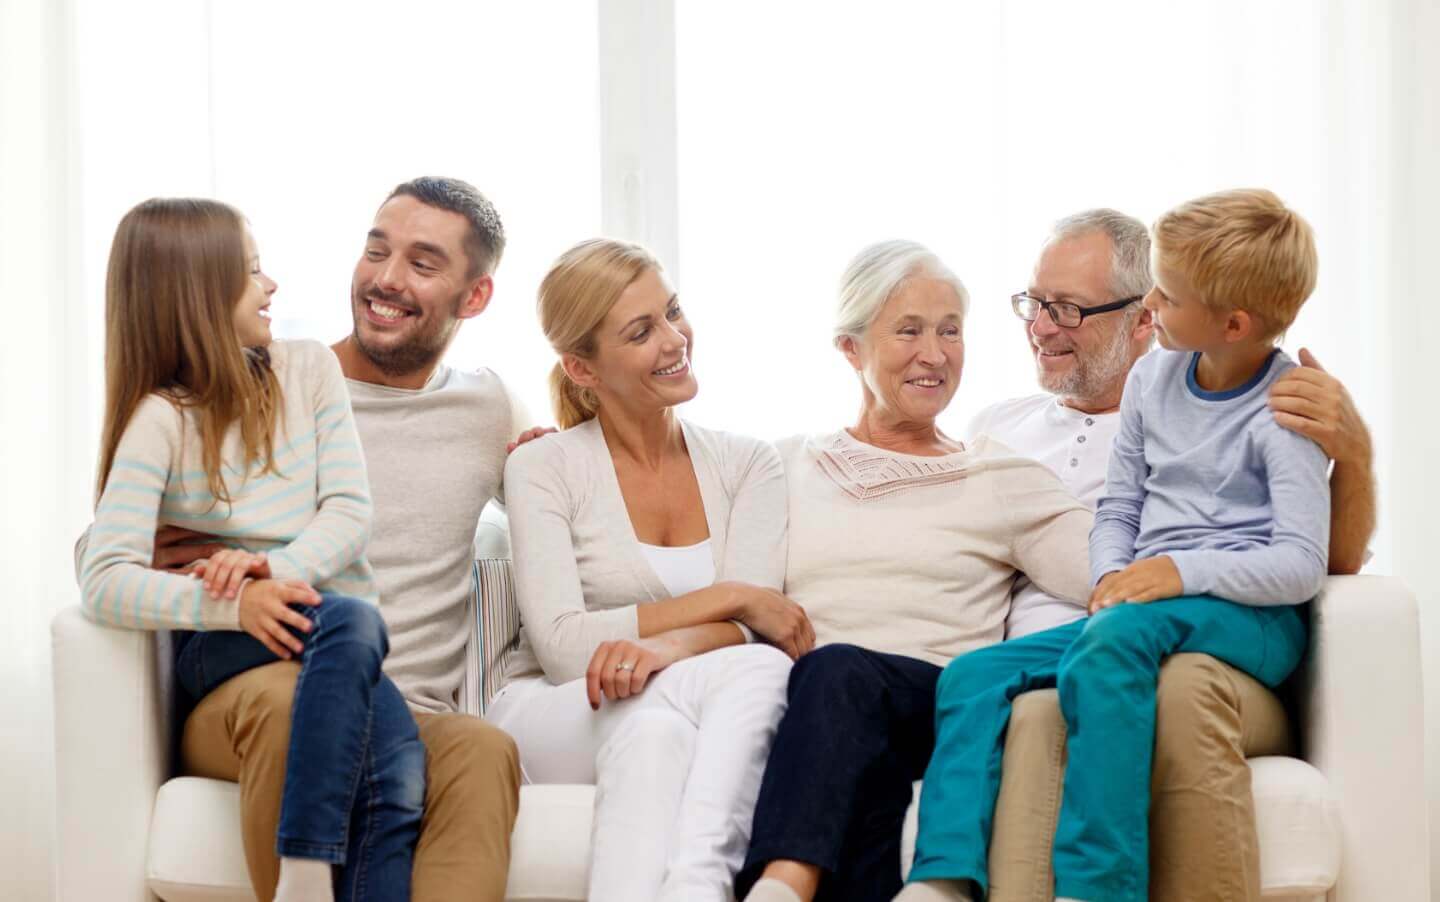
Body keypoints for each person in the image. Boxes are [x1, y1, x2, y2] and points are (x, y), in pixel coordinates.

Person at [75, 177, 526, 902]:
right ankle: (302, 878)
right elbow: (104, 560)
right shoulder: (223, 399)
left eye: (421, 262)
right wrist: (234, 594)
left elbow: (571, 500)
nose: (385, 277)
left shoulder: (484, 405)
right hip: (255, 682)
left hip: (395, 695)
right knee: (297, 692)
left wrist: (561, 450)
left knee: (480, 749)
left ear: (473, 297)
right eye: (376, 249)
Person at [904, 189, 1331, 902]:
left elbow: (1299, 565)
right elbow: (1121, 507)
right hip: (1141, 607)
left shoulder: (1282, 410)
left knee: (1115, 643)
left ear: (1231, 322)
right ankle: (942, 878)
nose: (1151, 304)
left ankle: (1098, 884)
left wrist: (1174, 572)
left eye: (1166, 294)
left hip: (1248, 617)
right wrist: (1112, 575)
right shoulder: (1154, 381)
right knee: (974, 675)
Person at [738, 241, 1096, 902]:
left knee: (838, 669)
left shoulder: (998, 475)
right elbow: (673, 536)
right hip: (817, 720)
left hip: (933, 706)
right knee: (864, 789)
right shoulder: (782, 465)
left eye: (950, 331)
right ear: (851, 348)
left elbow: (1110, 574)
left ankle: (778, 886)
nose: (935, 354)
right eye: (908, 330)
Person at [490, 238, 812, 902]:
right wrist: (730, 598)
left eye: (672, 312)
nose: (674, 339)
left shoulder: (749, 464)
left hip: (660, 706)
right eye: (641, 332)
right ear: (583, 368)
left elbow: (757, 626)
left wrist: (666, 645)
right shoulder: (543, 467)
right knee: (762, 672)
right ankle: (700, 885)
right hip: (555, 711)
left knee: (658, 735)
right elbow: (559, 647)